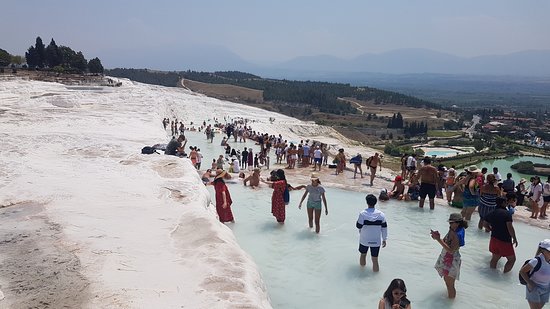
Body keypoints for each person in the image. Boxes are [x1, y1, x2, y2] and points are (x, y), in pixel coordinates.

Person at [431, 213, 468, 299]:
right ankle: (450, 299)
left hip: (451, 260)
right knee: (447, 281)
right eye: (449, 222)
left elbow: (451, 250)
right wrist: (437, 237)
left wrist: (438, 240)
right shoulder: (453, 228)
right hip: (446, 257)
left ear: (458, 223)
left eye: (451, 222)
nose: (450, 224)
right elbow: (445, 240)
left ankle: (450, 301)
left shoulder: (458, 234)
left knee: (450, 284)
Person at [484, 196, 518, 273]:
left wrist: (491, 230)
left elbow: (484, 224)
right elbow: (510, 227)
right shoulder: (507, 213)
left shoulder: (491, 212)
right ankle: (504, 275)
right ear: (503, 203)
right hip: (504, 240)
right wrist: (514, 238)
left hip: (494, 239)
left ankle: (492, 274)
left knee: (494, 259)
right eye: (506, 202)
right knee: (512, 260)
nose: (507, 203)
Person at [356, 194, 388, 271]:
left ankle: (361, 271)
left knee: (363, 255)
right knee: (375, 259)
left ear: (367, 202)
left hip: (364, 240)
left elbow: (358, 226)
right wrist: (384, 239)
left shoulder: (362, 213)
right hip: (376, 241)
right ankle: (375, 277)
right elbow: (384, 228)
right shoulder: (381, 215)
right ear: (375, 203)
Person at [519, 239, 550, 309]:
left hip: (546, 289)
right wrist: (530, 283)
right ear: (543, 250)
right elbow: (522, 271)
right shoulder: (536, 261)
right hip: (534, 288)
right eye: (549, 251)